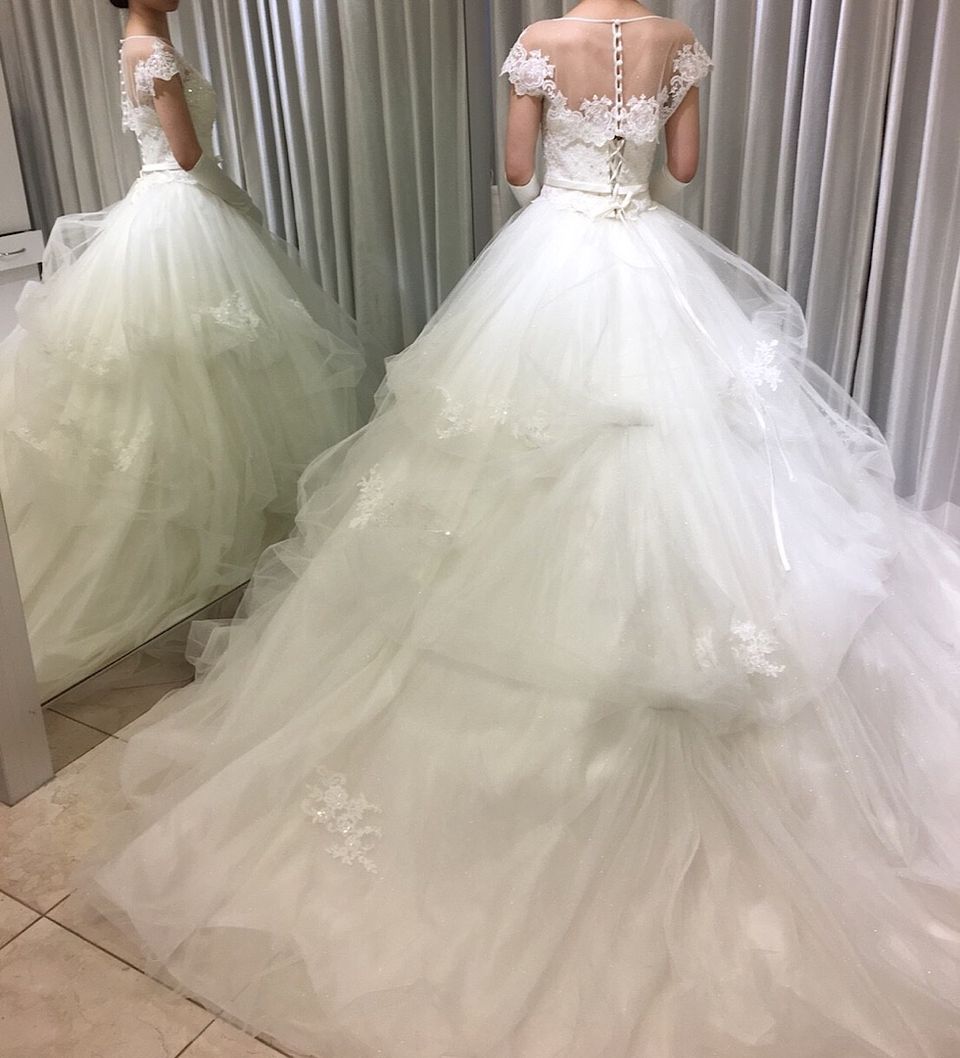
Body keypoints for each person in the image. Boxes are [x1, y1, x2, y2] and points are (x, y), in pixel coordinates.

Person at [84, 2, 960, 1055]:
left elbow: (515, 173)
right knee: (689, 466)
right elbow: (682, 168)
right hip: (652, 261)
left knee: (493, 482)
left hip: (551, 262)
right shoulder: (679, 42)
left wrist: (562, 183)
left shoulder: (540, 43)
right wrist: (631, 173)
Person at [0, 0, 366, 698]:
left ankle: (228, 539)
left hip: (172, 209)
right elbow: (188, 153)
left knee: (207, 382)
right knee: (197, 378)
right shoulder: (152, 50)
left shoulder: (137, 45)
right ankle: (203, 549)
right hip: (182, 211)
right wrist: (242, 204)